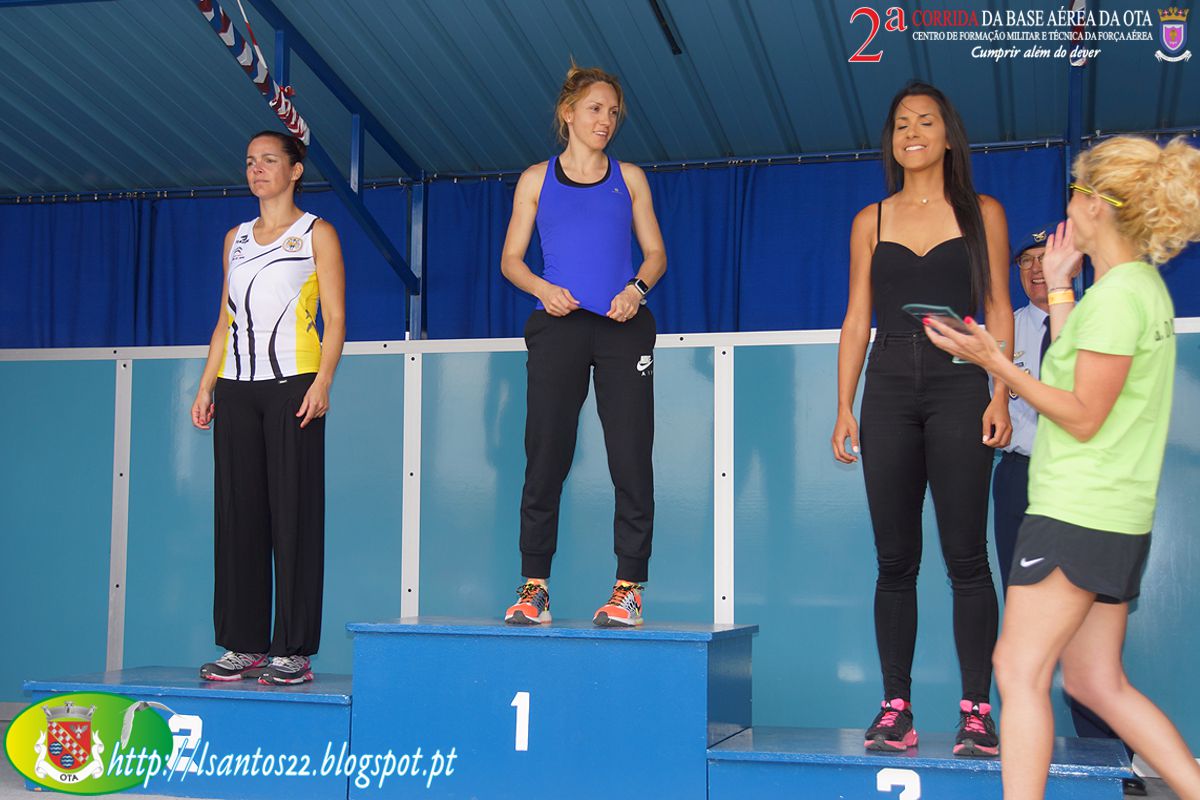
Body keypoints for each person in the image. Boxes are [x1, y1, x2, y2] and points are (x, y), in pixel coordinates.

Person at [923, 135, 1200, 799]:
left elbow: (1080, 414)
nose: (1067, 205)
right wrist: (1060, 288)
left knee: (1016, 671)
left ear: (1097, 206)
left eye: (1075, 191)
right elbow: (1081, 368)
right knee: (1095, 681)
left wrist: (995, 363)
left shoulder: (1119, 298)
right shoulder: (1134, 289)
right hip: (1111, 514)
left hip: (1077, 512)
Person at [831, 81, 1014, 756]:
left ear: (948, 136)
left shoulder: (982, 212)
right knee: (894, 560)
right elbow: (857, 317)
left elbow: (998, 307)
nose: (912, 132)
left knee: (967, 556)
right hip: (886, 393)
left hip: (961, 388)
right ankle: (896, 709)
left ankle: (976, 712)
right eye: (902, 123)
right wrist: (843, 406)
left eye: (926, 121)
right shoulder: (870, 220)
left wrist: (1000, 393)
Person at [499, 64, 666, 627]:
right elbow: (511, 261)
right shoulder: (535, 179)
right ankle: (534, 587)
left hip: (623, 325)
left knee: (630, 455)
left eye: (613, 112)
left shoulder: (631, 178)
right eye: (595, 109)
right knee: (546, 453)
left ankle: (628, 589)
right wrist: (543, 289)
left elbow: (656, 255)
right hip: (559, 326)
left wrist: (636, 291)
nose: (606, 120)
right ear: (568, 113)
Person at [993, 224, 1146, 795]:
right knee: (1023, 629)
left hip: (1083, 486)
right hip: (1018, 478)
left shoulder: (1095, 320)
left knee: (1087, 636)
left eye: (1046, 257)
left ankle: (1109, 761)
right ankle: (1025, 763)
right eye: (1026, 261)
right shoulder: (1002, 327)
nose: (1036, 269)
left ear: (1074, 263)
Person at [191, 130, 346, 685]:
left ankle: (294, 652)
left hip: (293, 387)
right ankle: (244, 644)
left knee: (294, 516)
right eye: (250, 161)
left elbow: (335, 318)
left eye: (269, 160)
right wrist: (206, 387)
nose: (256, 169)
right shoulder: (234, 238)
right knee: (239, 517)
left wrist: (323, 381)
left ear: (295, 170)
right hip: (236, 389)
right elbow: (224, 321)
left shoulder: (317, 233)